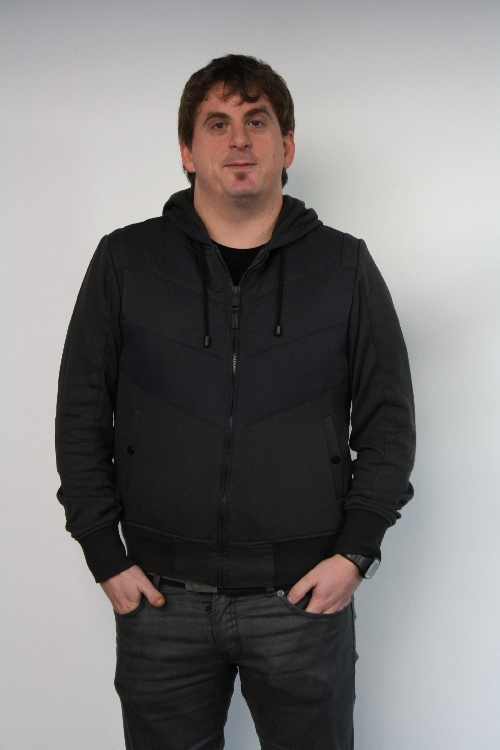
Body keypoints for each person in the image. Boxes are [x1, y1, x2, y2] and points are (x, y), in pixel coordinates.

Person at [55, 54, 415, 750]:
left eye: (258, 121)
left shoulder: (344, 268)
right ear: (188, 152)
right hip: (160, 601)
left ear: (288, 146)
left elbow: (389, 422)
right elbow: (80, 414)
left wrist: (355, 553)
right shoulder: (126, 262)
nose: (240, 140)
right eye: (217, 124)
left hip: (300, 601)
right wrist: (104, 552)